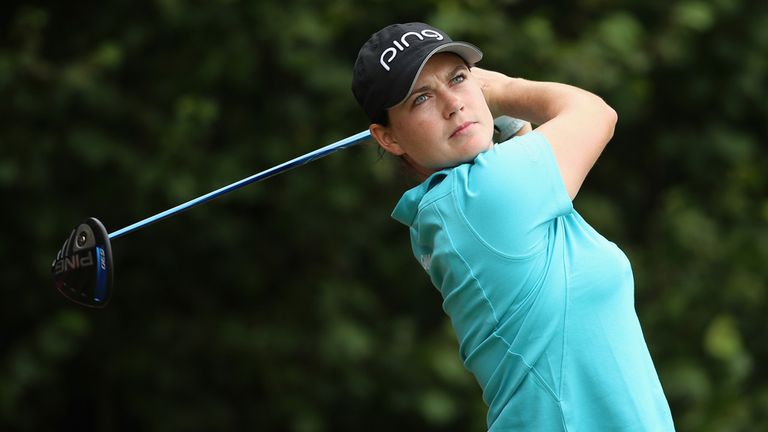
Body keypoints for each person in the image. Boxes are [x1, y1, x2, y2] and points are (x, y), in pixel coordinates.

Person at [351, 22, 675, 431]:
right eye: (421, 99)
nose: (453, 104)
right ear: (389, 138)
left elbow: (521, 144)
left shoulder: (457, 203)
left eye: (458, 78)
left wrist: (497, 117)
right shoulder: (483, 197)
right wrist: (502, 89)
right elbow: (596, 114)